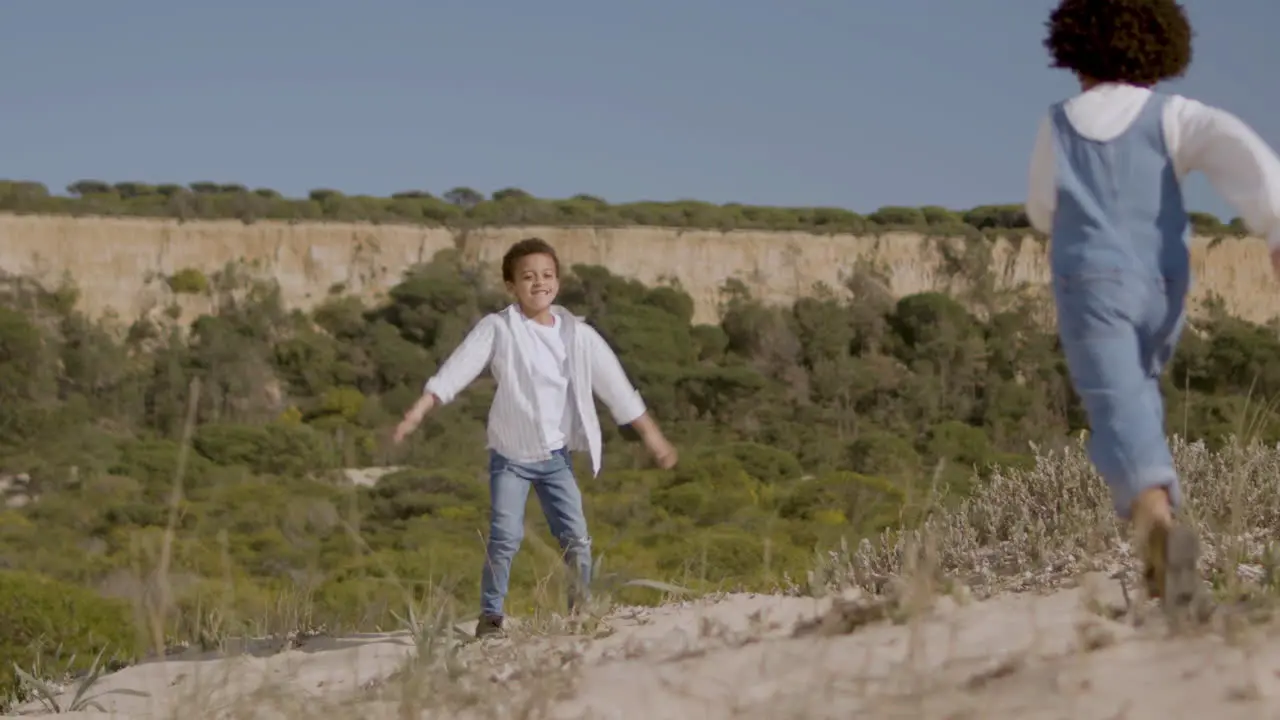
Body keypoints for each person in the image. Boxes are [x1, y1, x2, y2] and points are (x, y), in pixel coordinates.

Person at [1026, 0, 1280, 610]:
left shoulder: (1060, 122)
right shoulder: (1176, 116)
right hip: (1162, 286)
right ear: (1161, 51)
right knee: (1140, 390)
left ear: (1073, 51)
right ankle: (1156, 538)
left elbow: (1041, 208)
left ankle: (1158, 525)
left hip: (1092, 285)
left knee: (1118, 404)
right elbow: (1245, 159)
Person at [392, 237, 678, 637]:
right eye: (527, 277)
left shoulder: (579, 335)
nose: (538, 283)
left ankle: (580, 611)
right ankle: (491, 616)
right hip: (511, 459)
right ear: (511, 286)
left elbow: (618, 390)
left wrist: (655, 441)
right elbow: (456, 371)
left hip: (555, 460)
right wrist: (416, 412)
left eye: (546, 275)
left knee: (576, 538)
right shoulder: (499, 328)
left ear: (558, 281)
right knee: (505, 538)